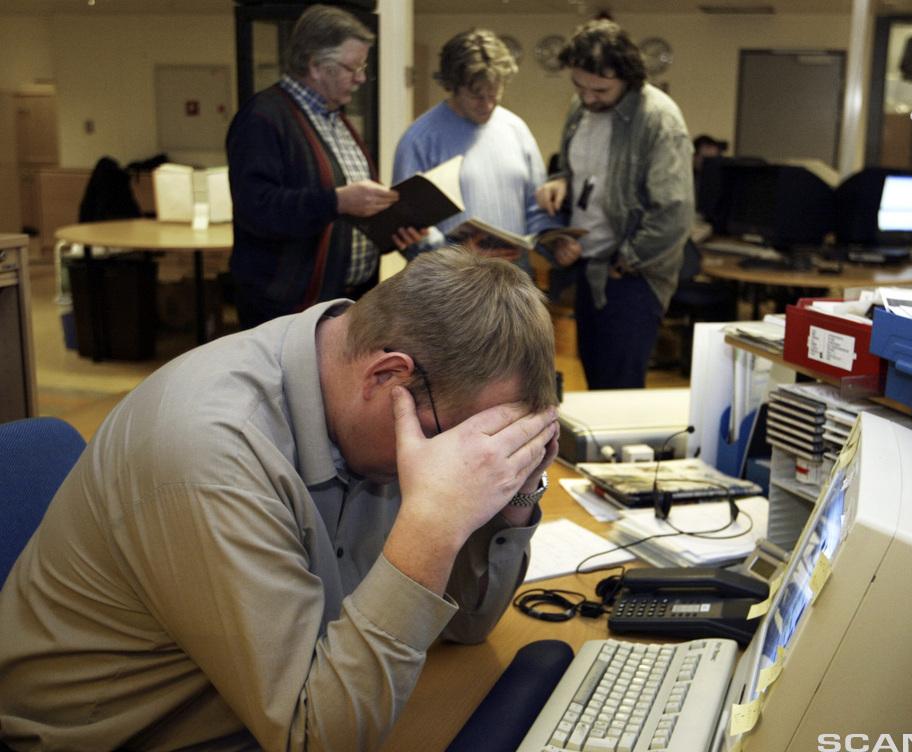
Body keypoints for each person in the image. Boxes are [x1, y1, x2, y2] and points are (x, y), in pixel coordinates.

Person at [0, 247, 560, 750]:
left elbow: (466, 628)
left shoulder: (370, 393)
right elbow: (312, 738)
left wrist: (516, 492)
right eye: (462, 441)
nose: (465, 464)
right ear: (389, 377)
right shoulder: (212, 454)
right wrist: (432, 525)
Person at [226, 5, 422, 329]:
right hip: (288, 311)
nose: (360, 78)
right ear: (316, 66)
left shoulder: (336, 118)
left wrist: (393, 229)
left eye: (363, 67)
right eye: (352, 68)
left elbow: (349, 214)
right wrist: (337, 201)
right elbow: (257, 208)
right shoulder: (263, 118)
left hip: (343, 303)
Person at [536, 19, 695, 390]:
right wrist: (559, 181)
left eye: (600, 89)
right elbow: (580, 170)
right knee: (595, 380)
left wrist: (626, 262)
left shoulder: (658, 119)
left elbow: (673, 212)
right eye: (579, 85)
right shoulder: (581, 107)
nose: (588, 97)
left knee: (618, 391)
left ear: (629, 78)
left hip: (631, 275)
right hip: (588, 265)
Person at [392, 28, 579, 277]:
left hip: (514, 276)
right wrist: (462, 253)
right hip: (448, 284)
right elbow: (408, 228)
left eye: (494, 94)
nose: (488, 104)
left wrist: (555, 243)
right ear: (452, 86)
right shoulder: (420, 138)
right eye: (476, 95)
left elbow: (536, 208)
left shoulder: (516, 129)